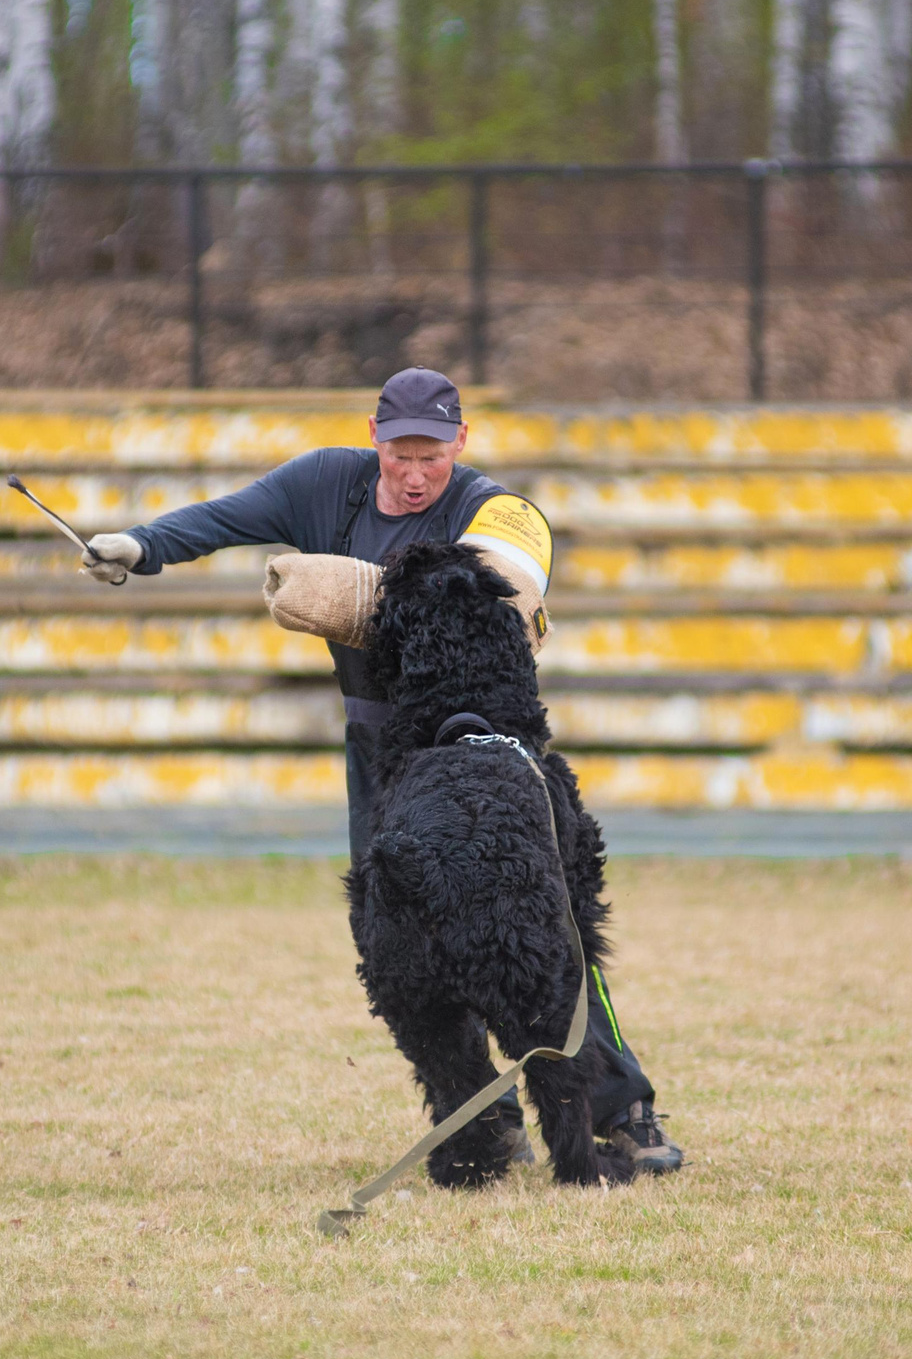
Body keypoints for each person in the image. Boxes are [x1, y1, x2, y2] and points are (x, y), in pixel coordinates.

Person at [78, 368, 682, 1176]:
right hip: (382, 750)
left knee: (551, 937)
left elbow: (511, 568)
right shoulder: (324, 484)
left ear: (459, 445)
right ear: (375, 437)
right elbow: (227, 519)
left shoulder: (492, 505)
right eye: (400, 453)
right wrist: (144, 545)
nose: (415, 471)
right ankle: (479, 1121)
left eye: (431, 455)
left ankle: (623, 1107)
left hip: (486, 751)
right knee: (402, 937)